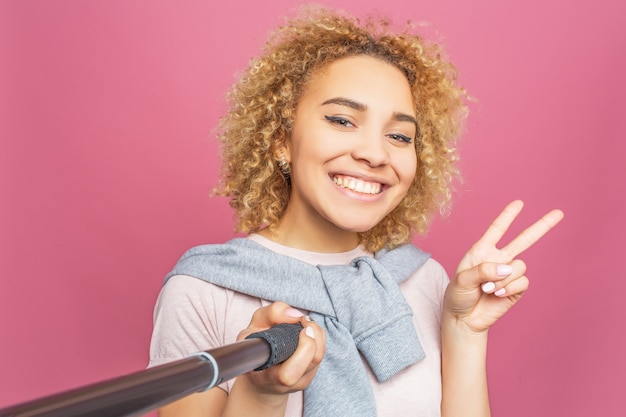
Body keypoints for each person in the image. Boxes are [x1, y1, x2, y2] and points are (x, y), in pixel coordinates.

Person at [148, 5, 564, 417]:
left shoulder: (426, 281)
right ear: (281, 141)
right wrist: (262, 394)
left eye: (400, 135)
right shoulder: (202, 292)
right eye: (343, 120)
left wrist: (465, 332)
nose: (374, 153)